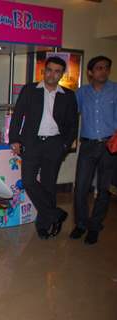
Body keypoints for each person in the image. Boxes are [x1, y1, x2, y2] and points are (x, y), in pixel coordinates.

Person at [9, 56, 78, 239]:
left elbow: (73, 124)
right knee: (29, 181)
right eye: (49, 70)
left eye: (57, 71)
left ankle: (44, 225)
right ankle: (55, 214)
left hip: (54, 144)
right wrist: (14, 139)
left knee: (48, 185)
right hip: (31, 143)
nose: (52, 74)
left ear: (61, 74)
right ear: (43, 71)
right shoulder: (30, 90)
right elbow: (17, 115)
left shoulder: (68, 95)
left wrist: (64, 145)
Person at [71, 56, 117, 244]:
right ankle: (81, 224)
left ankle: (95, 226)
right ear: (90, 72)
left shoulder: (115, 90)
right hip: (88, 145)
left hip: (110, 145)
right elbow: (72, 116)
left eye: (106, 68)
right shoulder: (81, 93)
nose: (103, 71)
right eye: (98, 68)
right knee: (81, 187)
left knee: (104, 189)